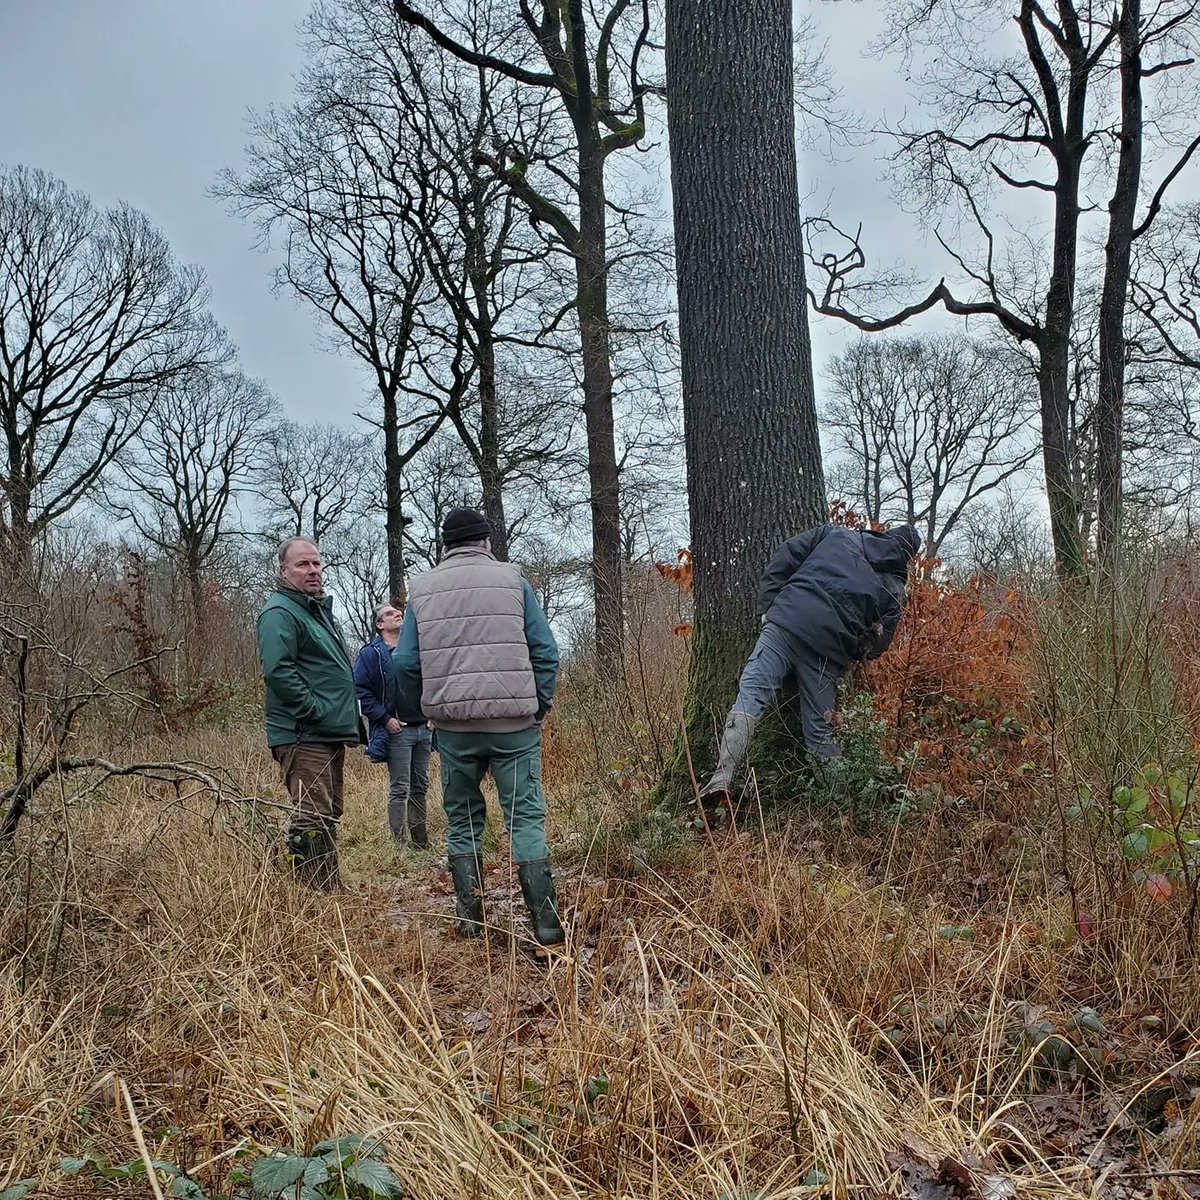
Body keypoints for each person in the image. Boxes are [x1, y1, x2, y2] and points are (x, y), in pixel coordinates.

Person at [393, 507, 564, 948]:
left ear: (445, 546)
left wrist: (427, 710)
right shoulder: (513, 581)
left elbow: (406, 663)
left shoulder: (422, 590)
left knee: (462, 817)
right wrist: (538, 705)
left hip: (453, 730)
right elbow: (545, 651)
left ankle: (471, 922)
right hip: (515, 727)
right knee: (525, 818)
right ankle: (545, 924)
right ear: (486, 543)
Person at [698, 522, 922, 821]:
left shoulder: (837, 534)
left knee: (751, 695)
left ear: (886, 534)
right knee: (819, 730)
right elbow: (878, 646)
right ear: (909, 558)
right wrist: (848, 648)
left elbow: (787, 554)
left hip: (786, 622)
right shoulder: (894, 590)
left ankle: (721, 779)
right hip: (827, 652)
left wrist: (769, 605)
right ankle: (840, 813)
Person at [257, 537, 363, 889]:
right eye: (303, 565)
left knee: (327, 810)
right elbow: (279, 671)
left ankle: (329, 885)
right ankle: (312, 895)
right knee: (311, 814)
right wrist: (315, 710)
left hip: (326, 730)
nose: (313, 571)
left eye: (316, 564)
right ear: (283, 571)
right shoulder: (280, 612)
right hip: (304, 732)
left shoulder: (312, 609)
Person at [354, 602, 433, 849]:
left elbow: (433, 680)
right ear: (380, 625)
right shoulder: (371, 654)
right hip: (398, 731)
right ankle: (399, 847)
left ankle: (420, 844)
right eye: (389, 614)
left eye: (398, 611)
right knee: (400, 788)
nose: (397, 614)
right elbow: (359, 691)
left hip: (425, 728)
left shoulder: (417, 649)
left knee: (420, 786)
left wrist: (434, 714)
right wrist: (385, 719)